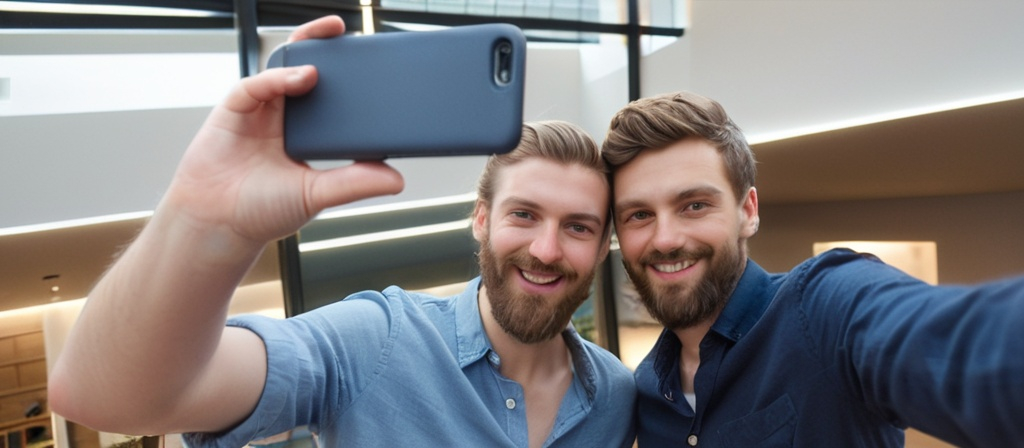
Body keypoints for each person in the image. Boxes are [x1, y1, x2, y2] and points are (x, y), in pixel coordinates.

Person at [47, 16, 636, 448]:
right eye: (523, 215)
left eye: (578, 227)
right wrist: (202, 221)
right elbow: (106, 397)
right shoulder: (375, 340)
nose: (546, 249)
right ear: (480, 219)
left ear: (602, 242)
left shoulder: (613, 393)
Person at [601, 91, 1024, 447]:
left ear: (747, 211)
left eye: (694, 205)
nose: (666, 239)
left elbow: (968, 344)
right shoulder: (646, 390)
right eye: (639, 215)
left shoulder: (824, 308)